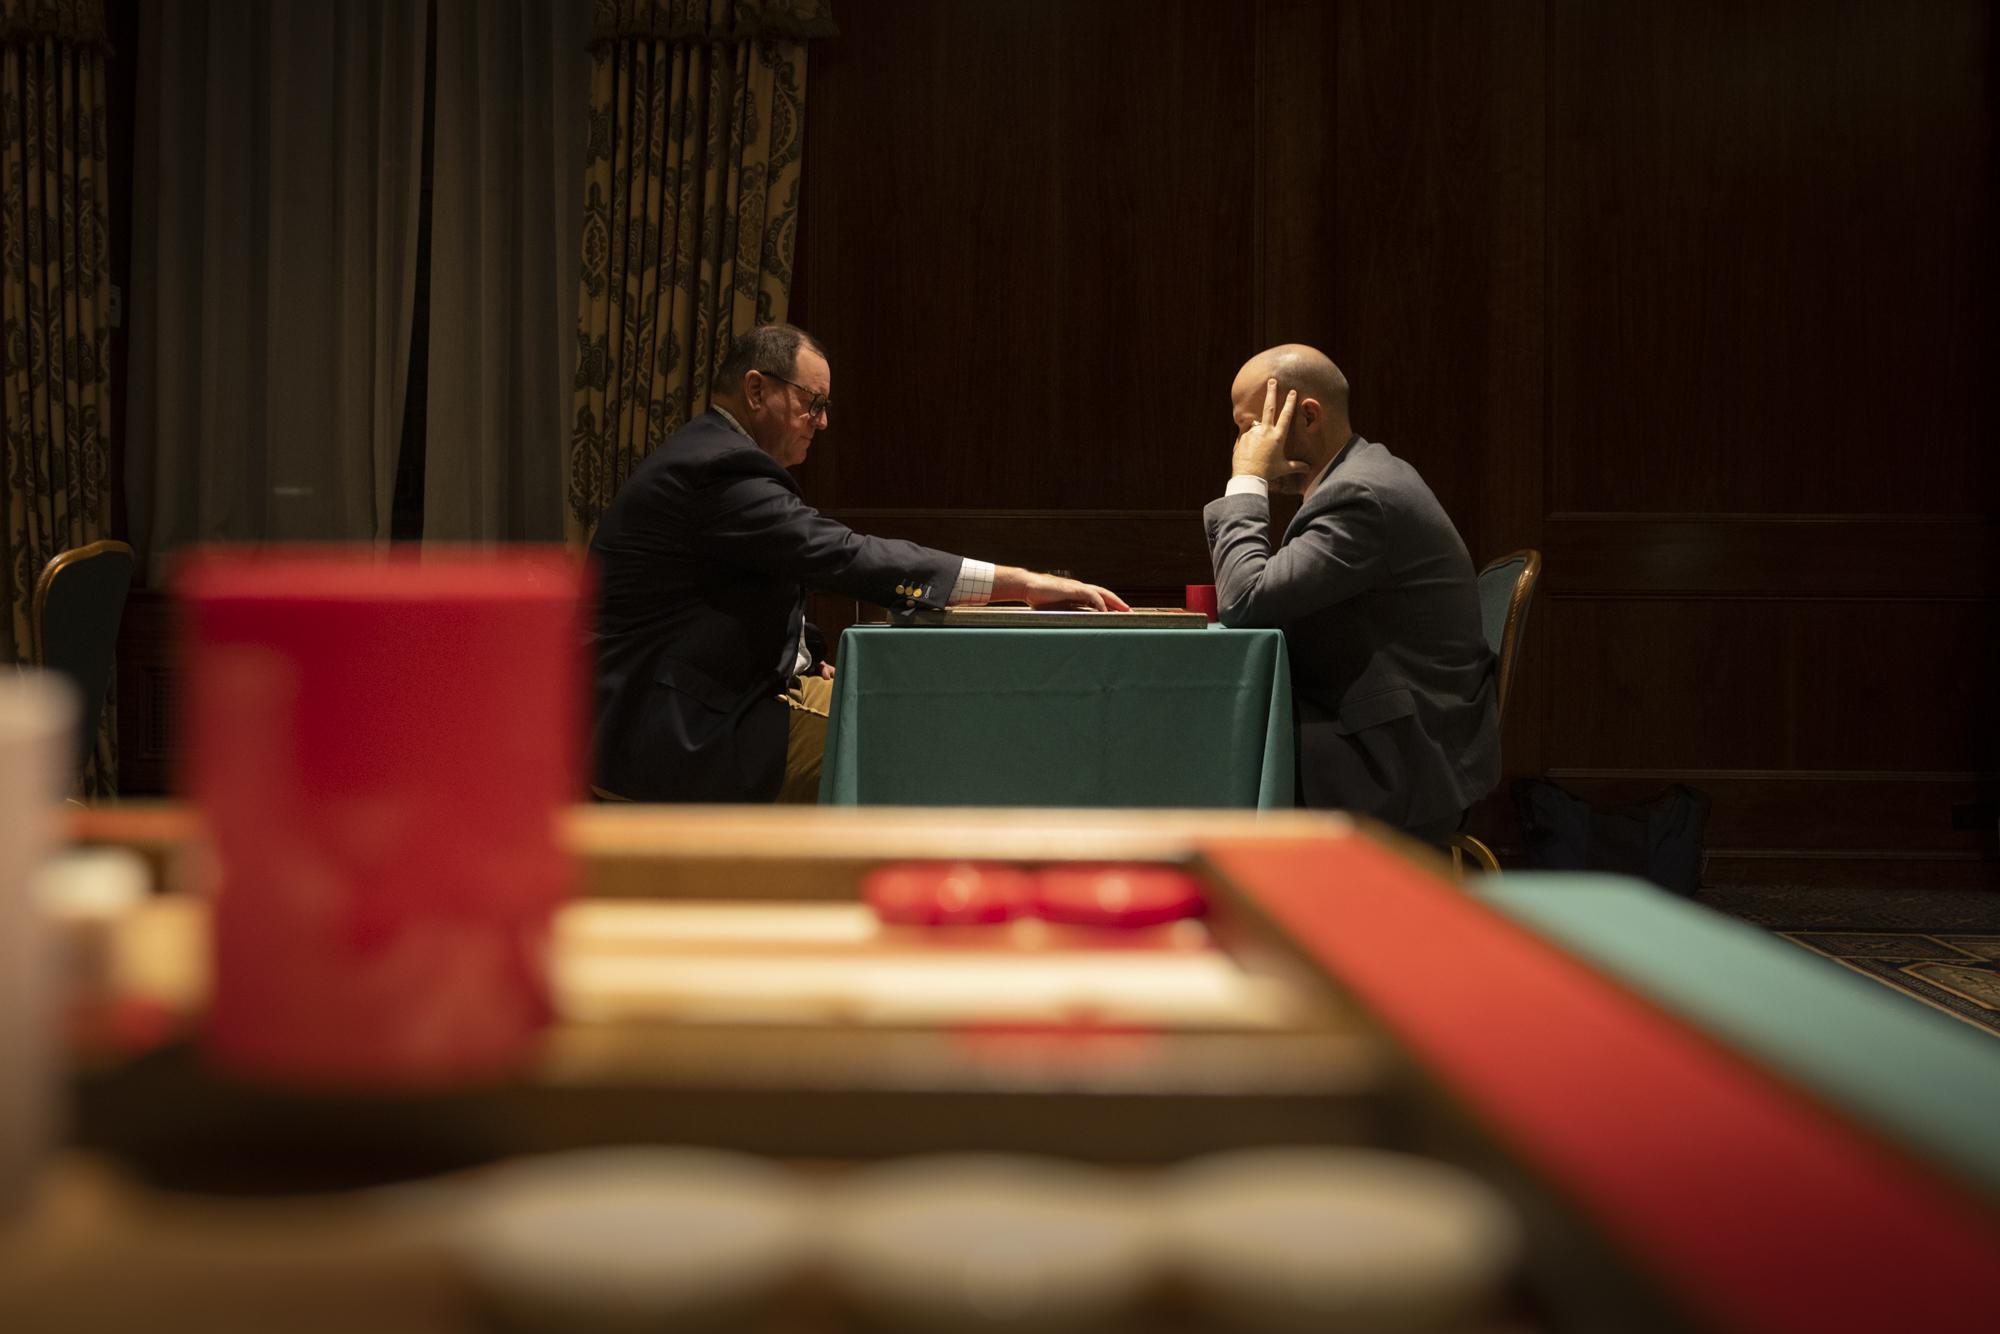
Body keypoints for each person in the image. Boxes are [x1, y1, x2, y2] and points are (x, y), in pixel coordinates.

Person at [589, 323, 1127, 803]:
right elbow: (847, 555)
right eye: (813, 402)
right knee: (923, 745)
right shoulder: (721, 470)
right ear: (757, 389)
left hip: (681, 707)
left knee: (924, 719)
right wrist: (1023, 583)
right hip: (671, 733)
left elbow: (727, 593)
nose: (822, 422)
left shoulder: (711, 455)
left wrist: (802, 659)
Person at [1202, 344, 1498, 844]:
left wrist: (1246, 479)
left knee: (1205, 750)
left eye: (1250, 426)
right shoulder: (1357, 478)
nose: (1242, 444)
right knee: (1214, 741)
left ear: (1308, 415)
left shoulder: (1359, 496)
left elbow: (1244, 601)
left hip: (1400, 762)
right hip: (1393, 732)